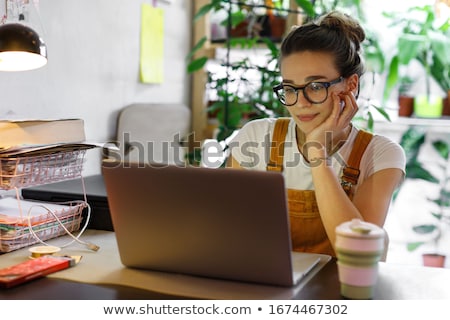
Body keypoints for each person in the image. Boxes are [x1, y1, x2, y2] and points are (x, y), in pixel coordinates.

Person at [227, 11, 406, 257]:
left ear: (350, 85)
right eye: (290, 88)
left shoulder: (380, 155)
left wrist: (318, 154)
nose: (300, 102)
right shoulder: (257, 137)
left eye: (315, 86)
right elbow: (230, 232)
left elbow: (359, 252)